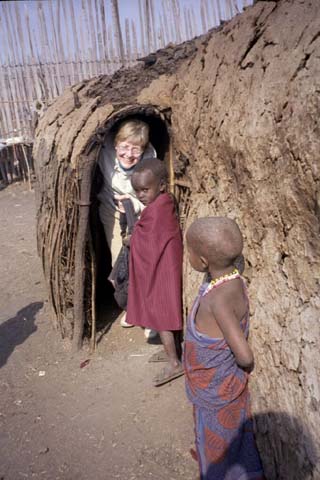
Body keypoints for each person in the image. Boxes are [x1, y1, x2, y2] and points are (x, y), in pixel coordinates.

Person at [184, 217, 264, 480]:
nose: (188, 256)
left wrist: (240, 369)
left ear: (203, 261)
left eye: (190, 251)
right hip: (221, 391)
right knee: (236, 439)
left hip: (218, 392)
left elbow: (244, 355)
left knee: (220, 446)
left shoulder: (218, 301)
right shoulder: (234, 281)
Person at [126, 158, 184, 387]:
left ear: (161, 186)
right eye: (137, 191)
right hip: (163, 266)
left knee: (162, 316)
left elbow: (150, 242)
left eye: (144, 190)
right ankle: (173, 353)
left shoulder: (158, 210)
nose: (140, 195)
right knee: (165, 314)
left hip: (162, 270)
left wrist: (133, 240)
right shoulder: (162, 203)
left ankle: (174, 363)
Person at [98, 119, 156, 332]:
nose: (129, 154)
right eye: (124, 147)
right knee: (119, 264)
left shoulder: (150, 161)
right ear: (115, 144)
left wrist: (136, 205)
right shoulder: (104, 152)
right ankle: (131, 307)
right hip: (111, 211)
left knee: (143, 262)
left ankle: (147, 312)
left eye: (136, 149)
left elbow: (153, 195)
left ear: (144, 149)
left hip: (140, 213)